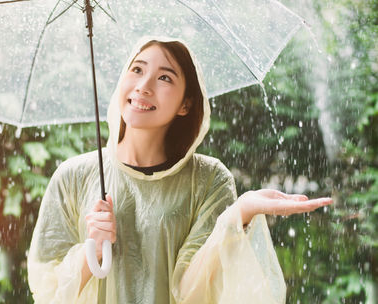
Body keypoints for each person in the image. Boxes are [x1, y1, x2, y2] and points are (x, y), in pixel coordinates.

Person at [27, 37, 332, 304]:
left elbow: (190, 291)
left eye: (165, 78)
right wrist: (90, 251)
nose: (143, 86)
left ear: (186, 104)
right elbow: (47, 293)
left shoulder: (209, 180)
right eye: (137, 69)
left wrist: (238, 214)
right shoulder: (73, 177)